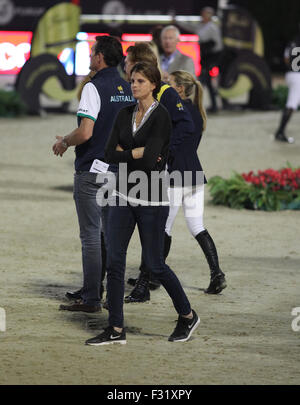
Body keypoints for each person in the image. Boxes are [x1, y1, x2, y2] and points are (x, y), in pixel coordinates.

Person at [85, 62, 200, 346]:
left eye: (139, 81)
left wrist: (134, 153)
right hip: (122, 195)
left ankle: (187, 316)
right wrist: (136, 153)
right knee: (115, 262)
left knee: (155, 264)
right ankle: (115, 329)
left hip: (152, 198)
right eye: (132, 80)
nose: (133, 85)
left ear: (152, 85)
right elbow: (110, 153)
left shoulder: (161, 116)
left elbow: (150, 162)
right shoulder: (124, 114)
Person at [52, 35, 134, 312]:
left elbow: (85, 132)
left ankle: (90, 299)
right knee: (110, 236)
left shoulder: (93, 87)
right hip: (120, 170)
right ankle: (110, 296)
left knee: (90, 236)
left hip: (93, 171)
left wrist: (64, 140)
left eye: (92, 53)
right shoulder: (128, 87)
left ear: (100, 57)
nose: (89, 58)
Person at [121, 42, 196, 302]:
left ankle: (145, 284)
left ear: (139, 63)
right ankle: (145, 279)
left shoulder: (164, 91)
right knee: (143, 227)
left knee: (151, 228)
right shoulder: (137, 91)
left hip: (155, 173)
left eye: (128, 61)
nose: (125, 65)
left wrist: (162, 150)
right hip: (139, 170)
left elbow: (186, 124)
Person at [166, 70, 226, 294]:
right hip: (195, 174)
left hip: (175, 175)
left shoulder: (176, 112)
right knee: (197, 226)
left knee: (164, 226)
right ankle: (217, 274)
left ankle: (149, 278)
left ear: (179, 89)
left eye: (169, 84)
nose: (165, 87)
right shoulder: (198, 112)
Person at [176, 7, 224, 113]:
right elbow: (190, 26)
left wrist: (213, 62)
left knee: (204, 83)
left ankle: (208, 105)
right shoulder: (202, 26)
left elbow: (218, 46)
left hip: (209, 58)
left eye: (205, 14)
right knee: (204, 83)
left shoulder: (212, 27)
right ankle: (209, 105)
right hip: (205, 58)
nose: (203, 16)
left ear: (210, 15)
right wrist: (177, 21)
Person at [274, 29, 300, 143]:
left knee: (292, 103)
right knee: (292, 104)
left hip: (290, 73)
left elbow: (286, 59)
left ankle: (280, 131)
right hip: (297, 75)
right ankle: (280, 132)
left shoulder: (292, 42)